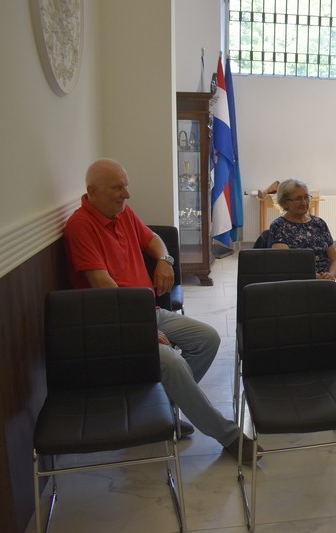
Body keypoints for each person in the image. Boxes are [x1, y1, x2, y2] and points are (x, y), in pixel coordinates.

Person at [64, 158, 258, 463]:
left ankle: (162, 409)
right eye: (118, 188)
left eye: (126, 186)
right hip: (113, 323)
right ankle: (228, 435)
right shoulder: (80, 226)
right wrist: (143, 330)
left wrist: (164, 260)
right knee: (171, 362)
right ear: (93, 191)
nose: (127, 194)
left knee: (208, 339)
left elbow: (152, 239)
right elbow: (103, 287)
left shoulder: (121, 212)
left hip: (147, 310)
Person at [268, 179, 336, 279]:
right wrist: (316, 278)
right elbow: (284, 264)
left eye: (306, 197)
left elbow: (335, 260)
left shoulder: (319, 223)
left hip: (325, 281)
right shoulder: (279, 226)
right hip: (299, 282)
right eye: (298, 199)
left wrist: (331, 275)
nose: (304, 202)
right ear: (285, 203)